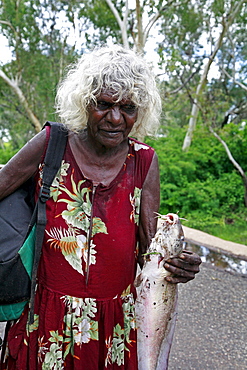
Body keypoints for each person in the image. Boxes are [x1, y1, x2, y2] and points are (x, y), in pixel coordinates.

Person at [0, 45, 201, 369]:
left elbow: (150, 254)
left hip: (113, 332)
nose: (116, 118)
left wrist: (176, 265)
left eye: (128, 107)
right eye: (104, 104)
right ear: (85, 102)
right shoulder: (53, 144)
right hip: (44, 322)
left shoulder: (144, 162)